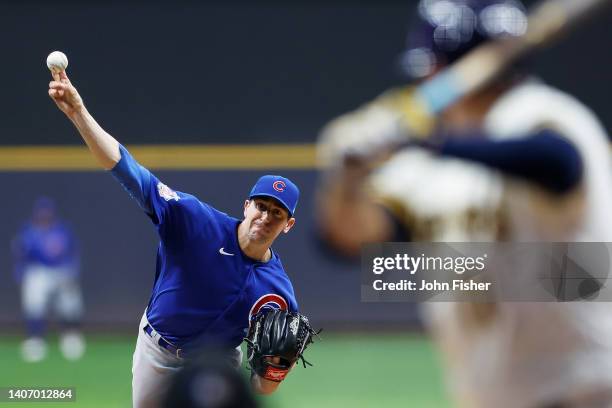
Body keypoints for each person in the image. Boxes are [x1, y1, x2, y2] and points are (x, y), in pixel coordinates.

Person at [316, 0, 612, 407]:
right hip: (492, 394)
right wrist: (347, 180)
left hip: (583, 388)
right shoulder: (428, 163)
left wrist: (420, 138)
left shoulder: (542, 114)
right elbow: (348, 239)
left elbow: (557, 162)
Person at [47, 68, 300, 407]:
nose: (266, 217)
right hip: (159, 352)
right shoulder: (195, 221)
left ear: (288, 224)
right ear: (246, 205)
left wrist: (274, 372)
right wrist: (79, 114)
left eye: (277, 213)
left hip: (217, 362)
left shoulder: (278, 293)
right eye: (261, 205)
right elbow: (127, 169)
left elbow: (261, 388)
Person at [11, 197, 85, 363]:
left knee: (70, 303)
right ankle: (35, 340)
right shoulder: (28, 232)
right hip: (39, 271)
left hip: (61, 270)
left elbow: (73, 251)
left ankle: (71, 338)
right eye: (42, 213)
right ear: (37, 214)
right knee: (34, 303)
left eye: (47, 213)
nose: (44, 215)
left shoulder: (61, 230)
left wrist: (73, 270)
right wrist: (20, 272)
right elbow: (21, 254)